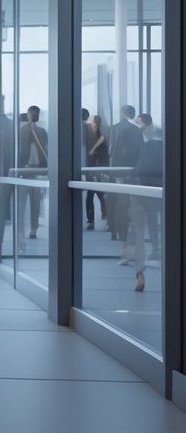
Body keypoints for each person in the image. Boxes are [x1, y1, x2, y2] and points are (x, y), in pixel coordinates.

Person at [129, 115, 162, 292]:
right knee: (156, 222)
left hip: (138, 186)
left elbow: (128, 159)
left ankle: (139, 272)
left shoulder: (137, 139)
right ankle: (157, 250)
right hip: (157, 189)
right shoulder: (164, 143)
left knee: (139, 230)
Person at [108, 105, 141, 254]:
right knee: (128, 202)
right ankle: (124, 232)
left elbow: (111, 149)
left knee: (116, 200)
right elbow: (140, 151)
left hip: (117, 170)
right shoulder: (137, 130)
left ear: (122, 113)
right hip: (132, 170)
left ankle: (115, 231)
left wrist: (111, 169)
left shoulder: (116, 127)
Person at [18, 105, 48, 239]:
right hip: (38, 170)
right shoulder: (42, 131)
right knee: (35, 200)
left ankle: (21, 230)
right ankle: (33, 229)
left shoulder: (22, 130)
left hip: (24, 169)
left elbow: (19, 151)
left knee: (22, 201)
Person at [84, 114, 108, 231]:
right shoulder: (89, 134)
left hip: (97, 169)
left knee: (95, 194)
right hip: (92, 168)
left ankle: (96, 218)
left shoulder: (100, 135)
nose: (90, 124)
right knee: (93, 194)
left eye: (92, 122)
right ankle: (94, 219)